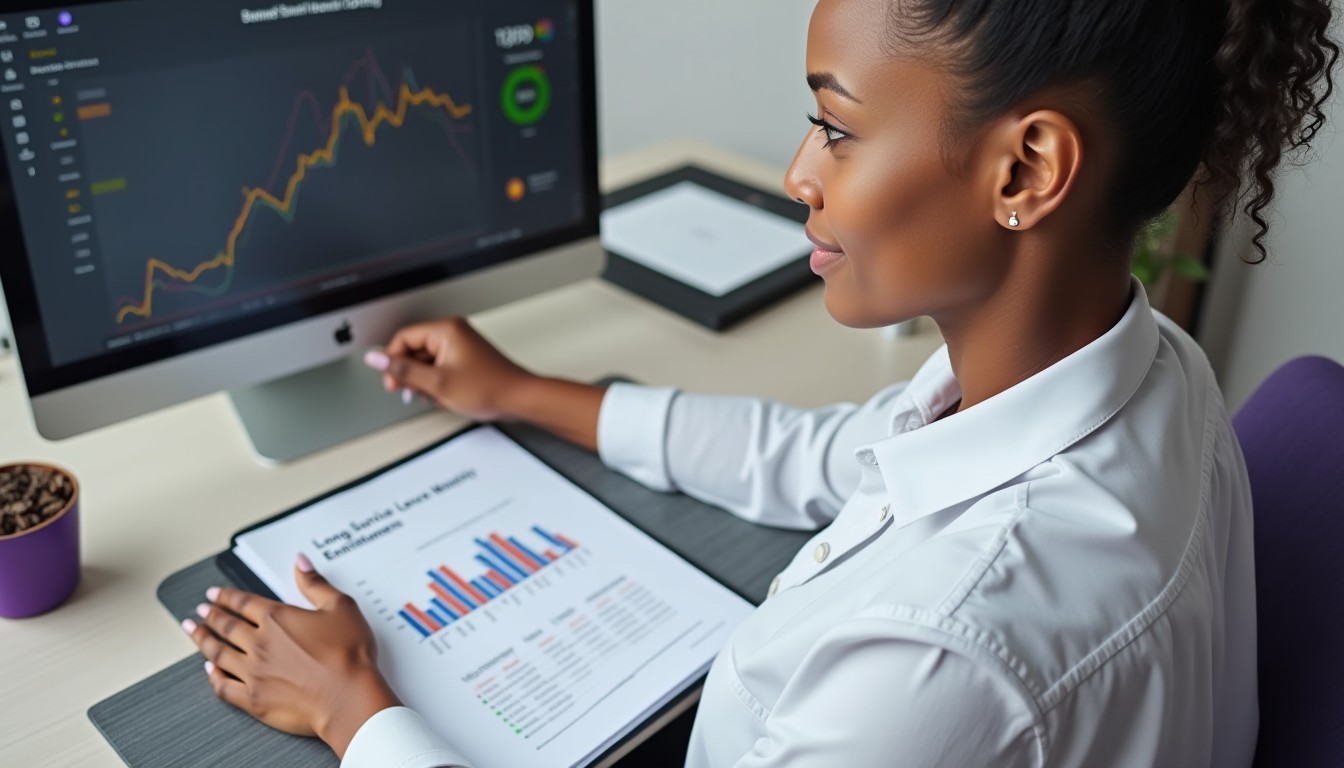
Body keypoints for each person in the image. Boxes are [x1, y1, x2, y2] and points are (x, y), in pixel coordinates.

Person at [181, 0, 1338, 764]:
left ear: (1026, 168)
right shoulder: (1151, 371)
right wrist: (524, 392)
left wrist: (356, 714)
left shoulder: (929, 678)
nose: (797, 172)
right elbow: (828, 455)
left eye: (834, 130)